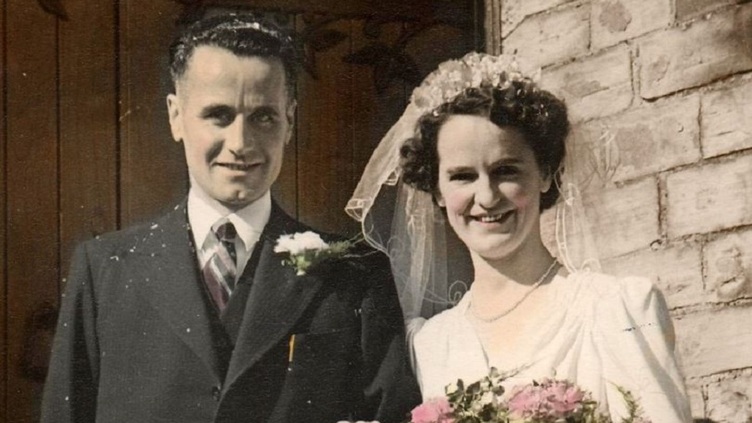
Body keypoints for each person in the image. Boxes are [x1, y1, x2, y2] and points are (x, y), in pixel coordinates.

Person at [41, 13, 417, 423]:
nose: (240, 143)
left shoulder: (354, 273)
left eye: (263, 117)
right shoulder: (103, 271)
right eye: (219, 115)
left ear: (289, 120)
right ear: (176, 116)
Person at [347, 53, 692, 422]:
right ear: (437, 192)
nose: (487, 197)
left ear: (545, 173)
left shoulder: (616, 309)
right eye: (463, 176)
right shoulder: (431, 345)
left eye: (506, 170)